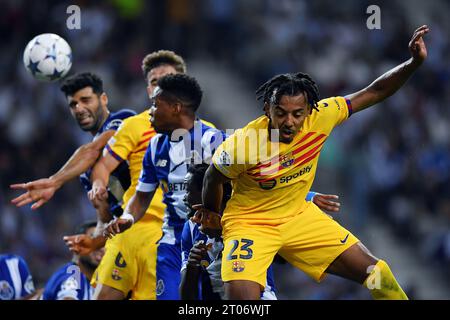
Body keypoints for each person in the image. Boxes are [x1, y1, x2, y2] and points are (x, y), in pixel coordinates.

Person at [200, 25, 429, 300]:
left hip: (299, 217)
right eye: (280, 113)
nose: (289, 121)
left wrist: (414, 63)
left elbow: (375, 90)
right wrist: (213, 215)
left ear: (309, 110)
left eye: (297, 114)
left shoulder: (323, 116)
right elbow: (213, 177)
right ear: (267, 110)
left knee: (378, 274)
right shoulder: (243, 144)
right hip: (250, 224)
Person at [100, 73, 226, 300]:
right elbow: (141, 196)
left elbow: (248, 183)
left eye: (155, 105)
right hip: (172, 243)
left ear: (176, 108)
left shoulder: (212, 141)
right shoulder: (156, 146)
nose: (150, 111)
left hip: (214, 241)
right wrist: (127, 218)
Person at [180, 163, 341, 300]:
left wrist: (308, 198)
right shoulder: (191, 229)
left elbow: (281, 257)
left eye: (188, 190)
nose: (184, 198)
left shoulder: (246, 214)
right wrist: (192, 265)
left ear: (206, 191)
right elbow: (186, 297)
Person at [10, 72, 136, 228]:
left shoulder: (124, 119)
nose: (79, 109)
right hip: (134, 231)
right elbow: (106, 219)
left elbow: (94, 149)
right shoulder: (83, 172)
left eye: (86, 100)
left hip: (159, 213)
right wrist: (101, 204)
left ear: (103, 99)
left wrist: (54, 181)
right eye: (73, 104)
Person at [42, 221, 104, 300]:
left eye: (102, 243)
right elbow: (68, 295)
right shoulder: (73, 274)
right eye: (92, 240)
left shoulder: (101, 281)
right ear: (77, 246)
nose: (100, 248)